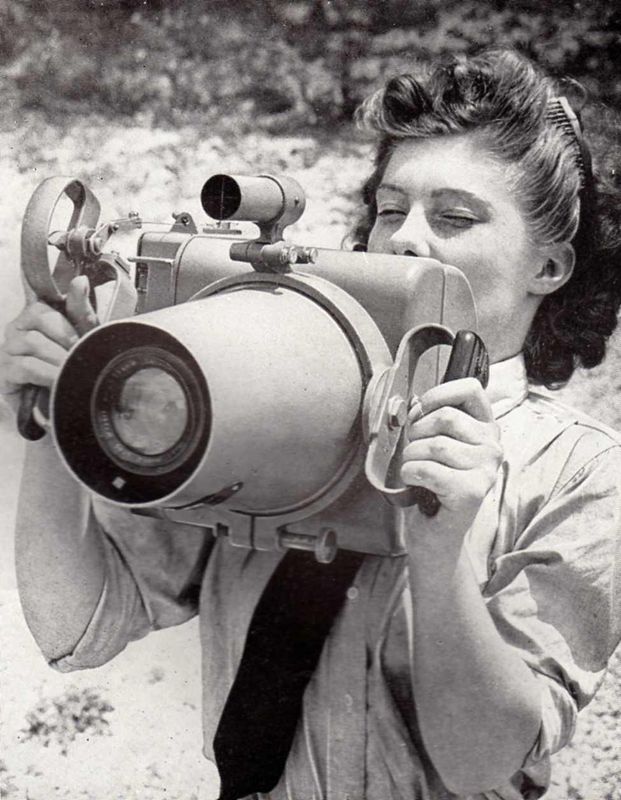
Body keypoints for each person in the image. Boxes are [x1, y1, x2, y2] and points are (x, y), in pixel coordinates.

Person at [2, 46, 621, 799]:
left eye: (455, 217)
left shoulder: (580, 473)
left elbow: (483, 764)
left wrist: (439, 556)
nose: (405, 237)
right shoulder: (259, 393)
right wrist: (53, 411)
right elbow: (75, 627)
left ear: (549, 266)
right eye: (389, 209)